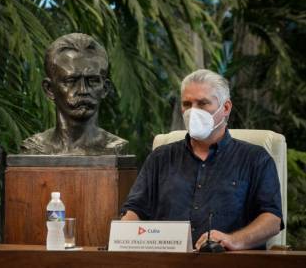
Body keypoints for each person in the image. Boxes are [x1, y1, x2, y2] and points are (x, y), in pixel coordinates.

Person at [121, 69, 283, 250]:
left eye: (203, 103)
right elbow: (134, 210)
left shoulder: (255, 159)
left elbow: (272, 219)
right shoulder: (160, 158)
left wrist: (234, 240)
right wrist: (123, 238)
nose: (193, 112)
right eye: (187, 104)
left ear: (226, 108)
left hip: (230, 262)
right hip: (169, 261)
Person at [21, 33, 127, 155]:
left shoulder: (115, 149)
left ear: (105, 88)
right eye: (71, 81)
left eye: (92, 81)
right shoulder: (34, 150)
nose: (83, 90)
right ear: (49, 89)